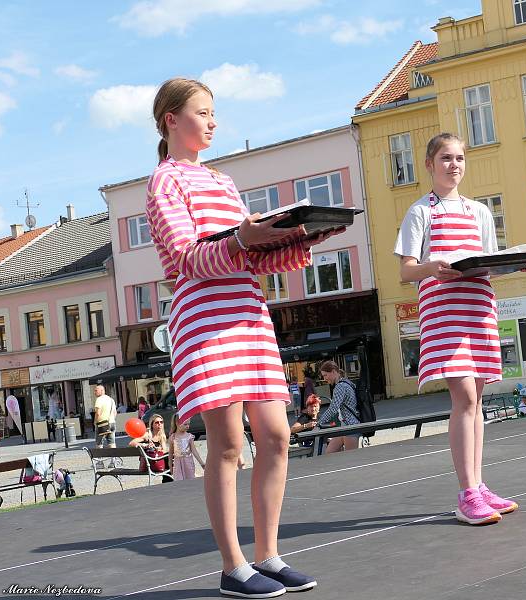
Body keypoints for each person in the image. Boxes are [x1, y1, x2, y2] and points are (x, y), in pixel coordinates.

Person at [145, 78, 337, 597]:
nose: (212, 121)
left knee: (276, 435)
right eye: (203, 113)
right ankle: (233, 567)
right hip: (204, 321)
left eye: (214, 112)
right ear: (171, 120)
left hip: (248, 316)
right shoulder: (165, 183)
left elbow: (248, 256)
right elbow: (186, 260)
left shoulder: (223, 182)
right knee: (228, 445)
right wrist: (240, 239)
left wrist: (302, 238)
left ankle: (267, 556)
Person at [394, 132, 520, 526]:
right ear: (429, 164)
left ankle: (478, 487)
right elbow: (405, 271)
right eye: (446, 158)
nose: (454, 165)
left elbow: (487, 261)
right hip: (444, 310)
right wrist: (433, 267)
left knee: (476, 400)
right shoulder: (420, 212)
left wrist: (515, 264)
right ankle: (467, 494)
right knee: (465, 397)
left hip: (477, 305)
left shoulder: (478, 211)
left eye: (460, 158)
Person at [317, 361, 361, 453]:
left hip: (351, 427)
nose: (324, 378)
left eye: (325, 375)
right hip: (345, 426)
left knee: (351, 460)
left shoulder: (340, 386)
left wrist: (319, 423)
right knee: (329, 453)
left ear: (333, 372)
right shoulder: (346, 382)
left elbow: (333, 409)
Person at [129, 414, 173, 482]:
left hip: (158, 461)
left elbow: (163, 451)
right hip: (149, 462)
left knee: (171, 456)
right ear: (152, 424)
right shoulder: (147, 435)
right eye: (157, 422)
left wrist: (158, 449)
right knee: (169, 458)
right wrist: (144, 445)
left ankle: (168, 481)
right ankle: (168, 482)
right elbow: (131, 443)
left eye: (161, 422)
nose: (160, 424)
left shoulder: (162, 436)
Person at [169, 414, 205, 480]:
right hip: (177, 464)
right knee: (179, 481)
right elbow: (171, 453)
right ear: (177, 423)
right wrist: (170, 465)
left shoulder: (189, 436)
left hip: (188, 462)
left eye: (188, 424)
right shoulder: (173, 437)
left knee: (190, 480)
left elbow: (194, 451)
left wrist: (202, 463)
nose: (188, 426)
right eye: (185, 424)